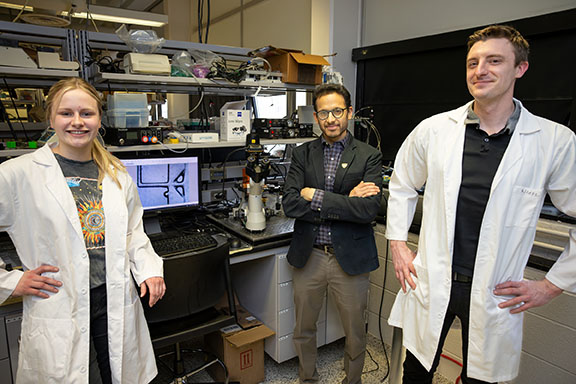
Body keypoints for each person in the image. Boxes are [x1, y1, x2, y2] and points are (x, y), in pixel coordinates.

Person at [386, 25, 576, 384]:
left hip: (495, 291)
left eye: (494, 61)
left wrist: (551, 285)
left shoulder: (554, 141)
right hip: (432, 280)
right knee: (415, 371)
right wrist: (397, 243)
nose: (480, 70)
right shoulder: (435, 129)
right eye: (473, 62)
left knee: (482, 379)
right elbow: (402, 183)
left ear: (520, 68)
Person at [0, 78, 166, 383]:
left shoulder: (116, 173)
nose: (77, 122)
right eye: (66, 113)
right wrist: (11, 281)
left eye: (86, 114)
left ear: (99, 119)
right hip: (58, 299)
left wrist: (149, 269)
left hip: (112, 296)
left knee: (120, 373)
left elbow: (132, 231)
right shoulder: (17, 174)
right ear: (50, 117)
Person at [283, 83, 382, 384]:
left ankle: (352, 381)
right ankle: (307, 379)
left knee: (354, 332)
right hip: (309, 255)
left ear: (349, 113)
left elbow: (368, 211)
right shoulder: (302, 154)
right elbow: (290, 203)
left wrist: (315, 195)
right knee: (303, 329)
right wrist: (346, 200)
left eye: (337, 111)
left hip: (349, 259)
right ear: (315, 117)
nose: (331, 119)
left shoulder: (368, 156)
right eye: (324, 113)